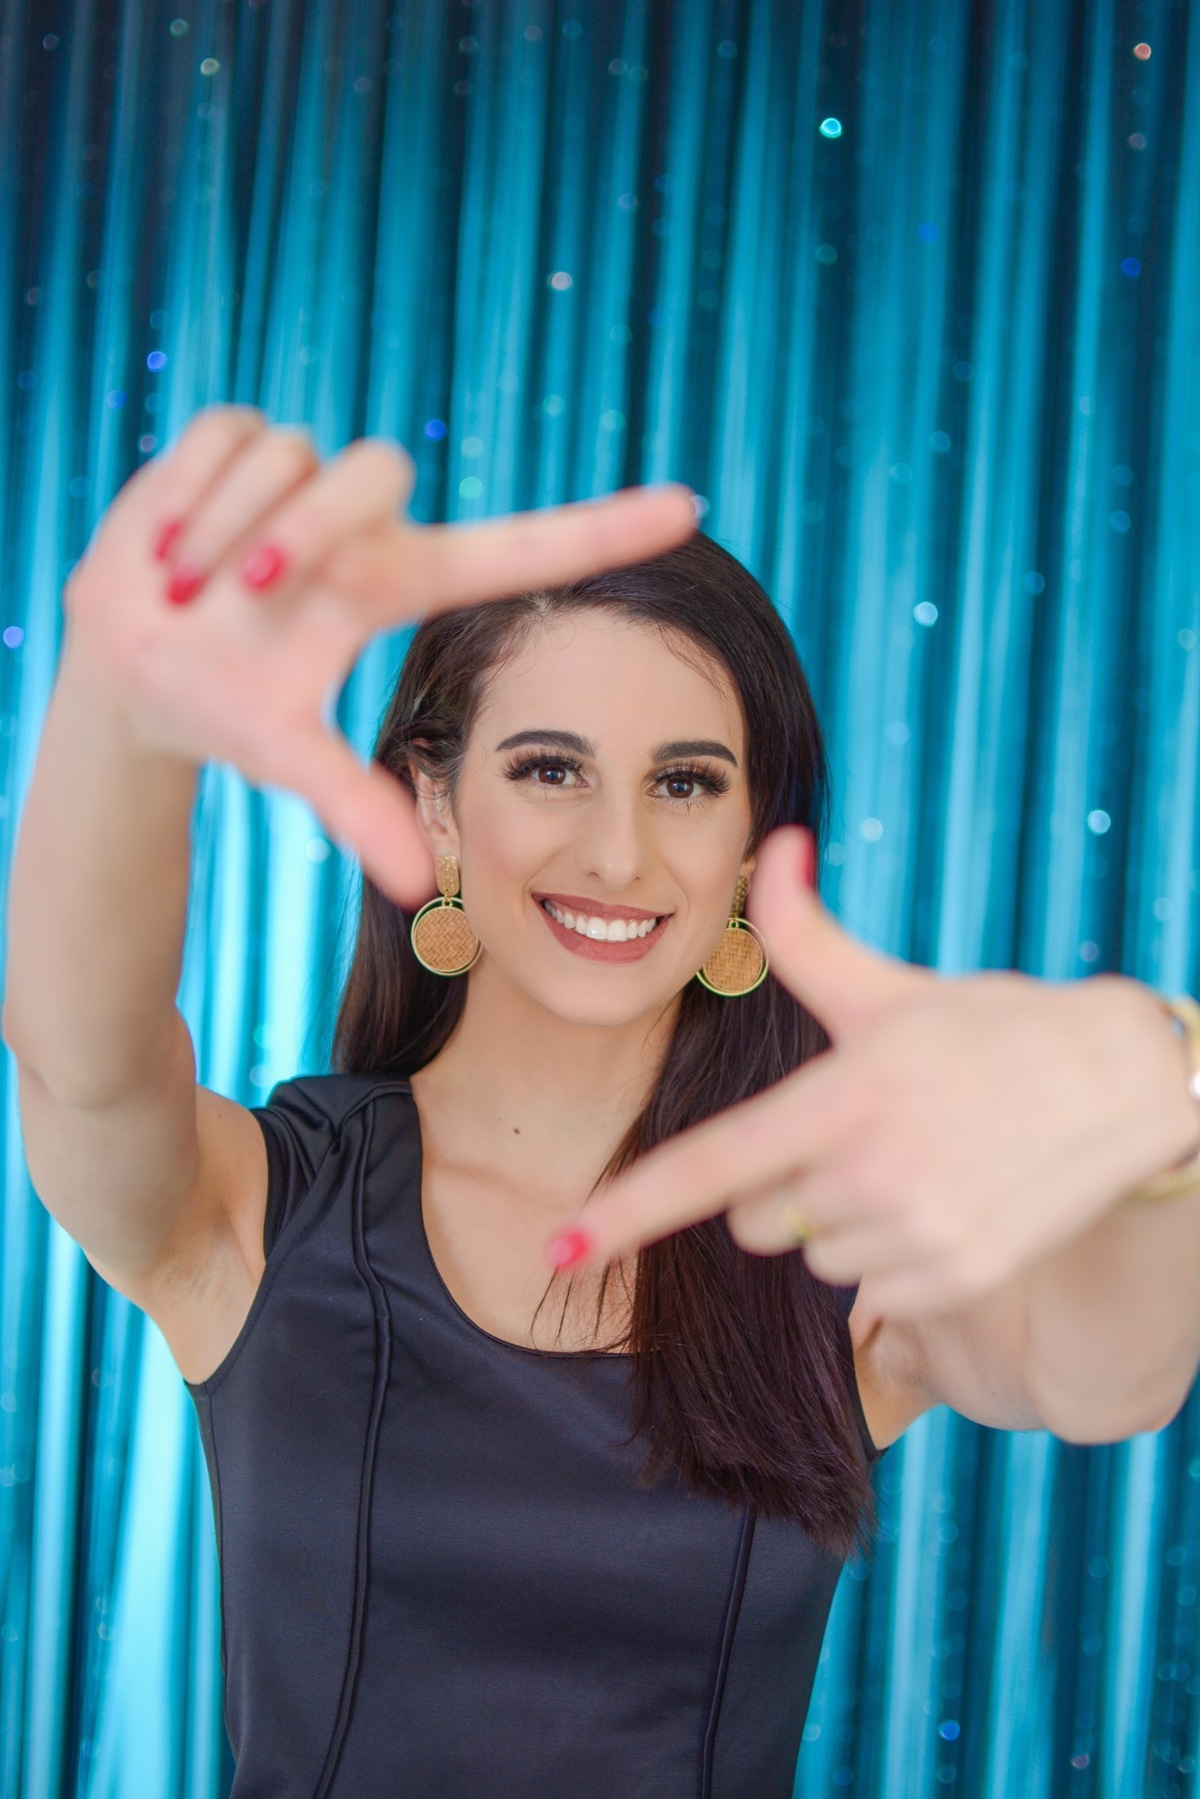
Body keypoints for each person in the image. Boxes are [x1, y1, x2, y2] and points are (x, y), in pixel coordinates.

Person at [5, 407, 1200, 1796]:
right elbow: (82, 1066)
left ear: (751, 847)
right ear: (437, 809)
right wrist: (119, 713)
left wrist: (1169, 1092)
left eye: (684, 783)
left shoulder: (838, 1230)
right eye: (549, 769)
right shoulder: (265, 1213)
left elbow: (1109, 1380)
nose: (619, 853)